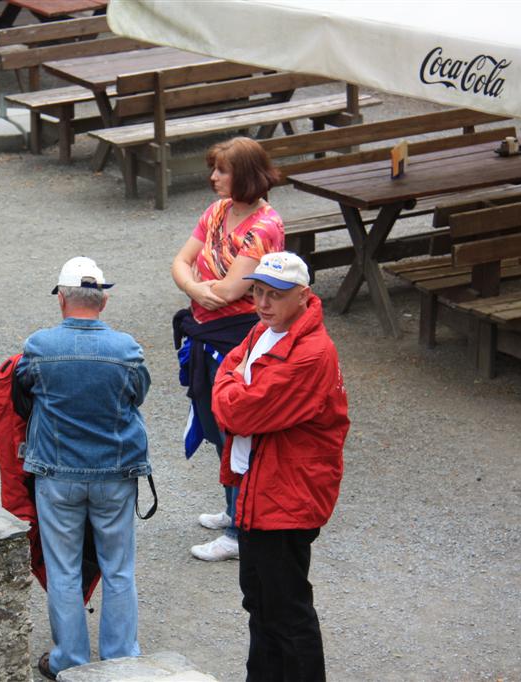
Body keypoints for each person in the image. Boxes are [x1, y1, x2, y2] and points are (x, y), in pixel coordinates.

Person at [212, 252, 349, 681]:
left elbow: (239, 414)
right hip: (262, 491)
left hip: (286, 497)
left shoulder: (311, 354)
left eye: (275, 295)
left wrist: (232, 385)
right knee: (260, 601)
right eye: (257, 292)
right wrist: (234, 384)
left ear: (304, 297)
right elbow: (228, 375)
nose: (263, 303)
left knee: (286, 609)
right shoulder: (263, 332)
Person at [15, 256, 151, 680]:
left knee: (64, 570)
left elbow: (21, 393)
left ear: (61, 300)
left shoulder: (40, 346)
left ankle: (69, 661)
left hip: (58, 474)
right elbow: (137, 396)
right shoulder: (127, 349)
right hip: (114, 472)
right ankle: (120, 658)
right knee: (118, 567)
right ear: (103, 301)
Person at [171, 136, 284, 562]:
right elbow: (179, 263)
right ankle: (231, 509)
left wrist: (195, 285)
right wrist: (197, 287)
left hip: (237, 338)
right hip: (206, 334)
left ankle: (239, 530)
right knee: (216, 426)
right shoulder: (217, 210)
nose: (212, 177)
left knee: (235, 429)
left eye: (222, 170)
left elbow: (234, 289)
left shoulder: (264, 227)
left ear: (247, 176)